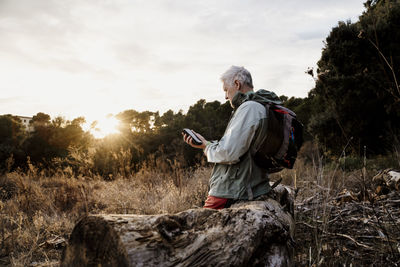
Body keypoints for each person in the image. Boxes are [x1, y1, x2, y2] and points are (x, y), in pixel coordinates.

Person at [183, 65, 277, 209]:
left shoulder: (249, 108)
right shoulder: (262, 106)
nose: (226, 96)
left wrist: (206, 147)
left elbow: (228, 153)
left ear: (237, 84)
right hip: (250, 186)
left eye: (226, 90)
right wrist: (206, 143)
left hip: (232, 191)